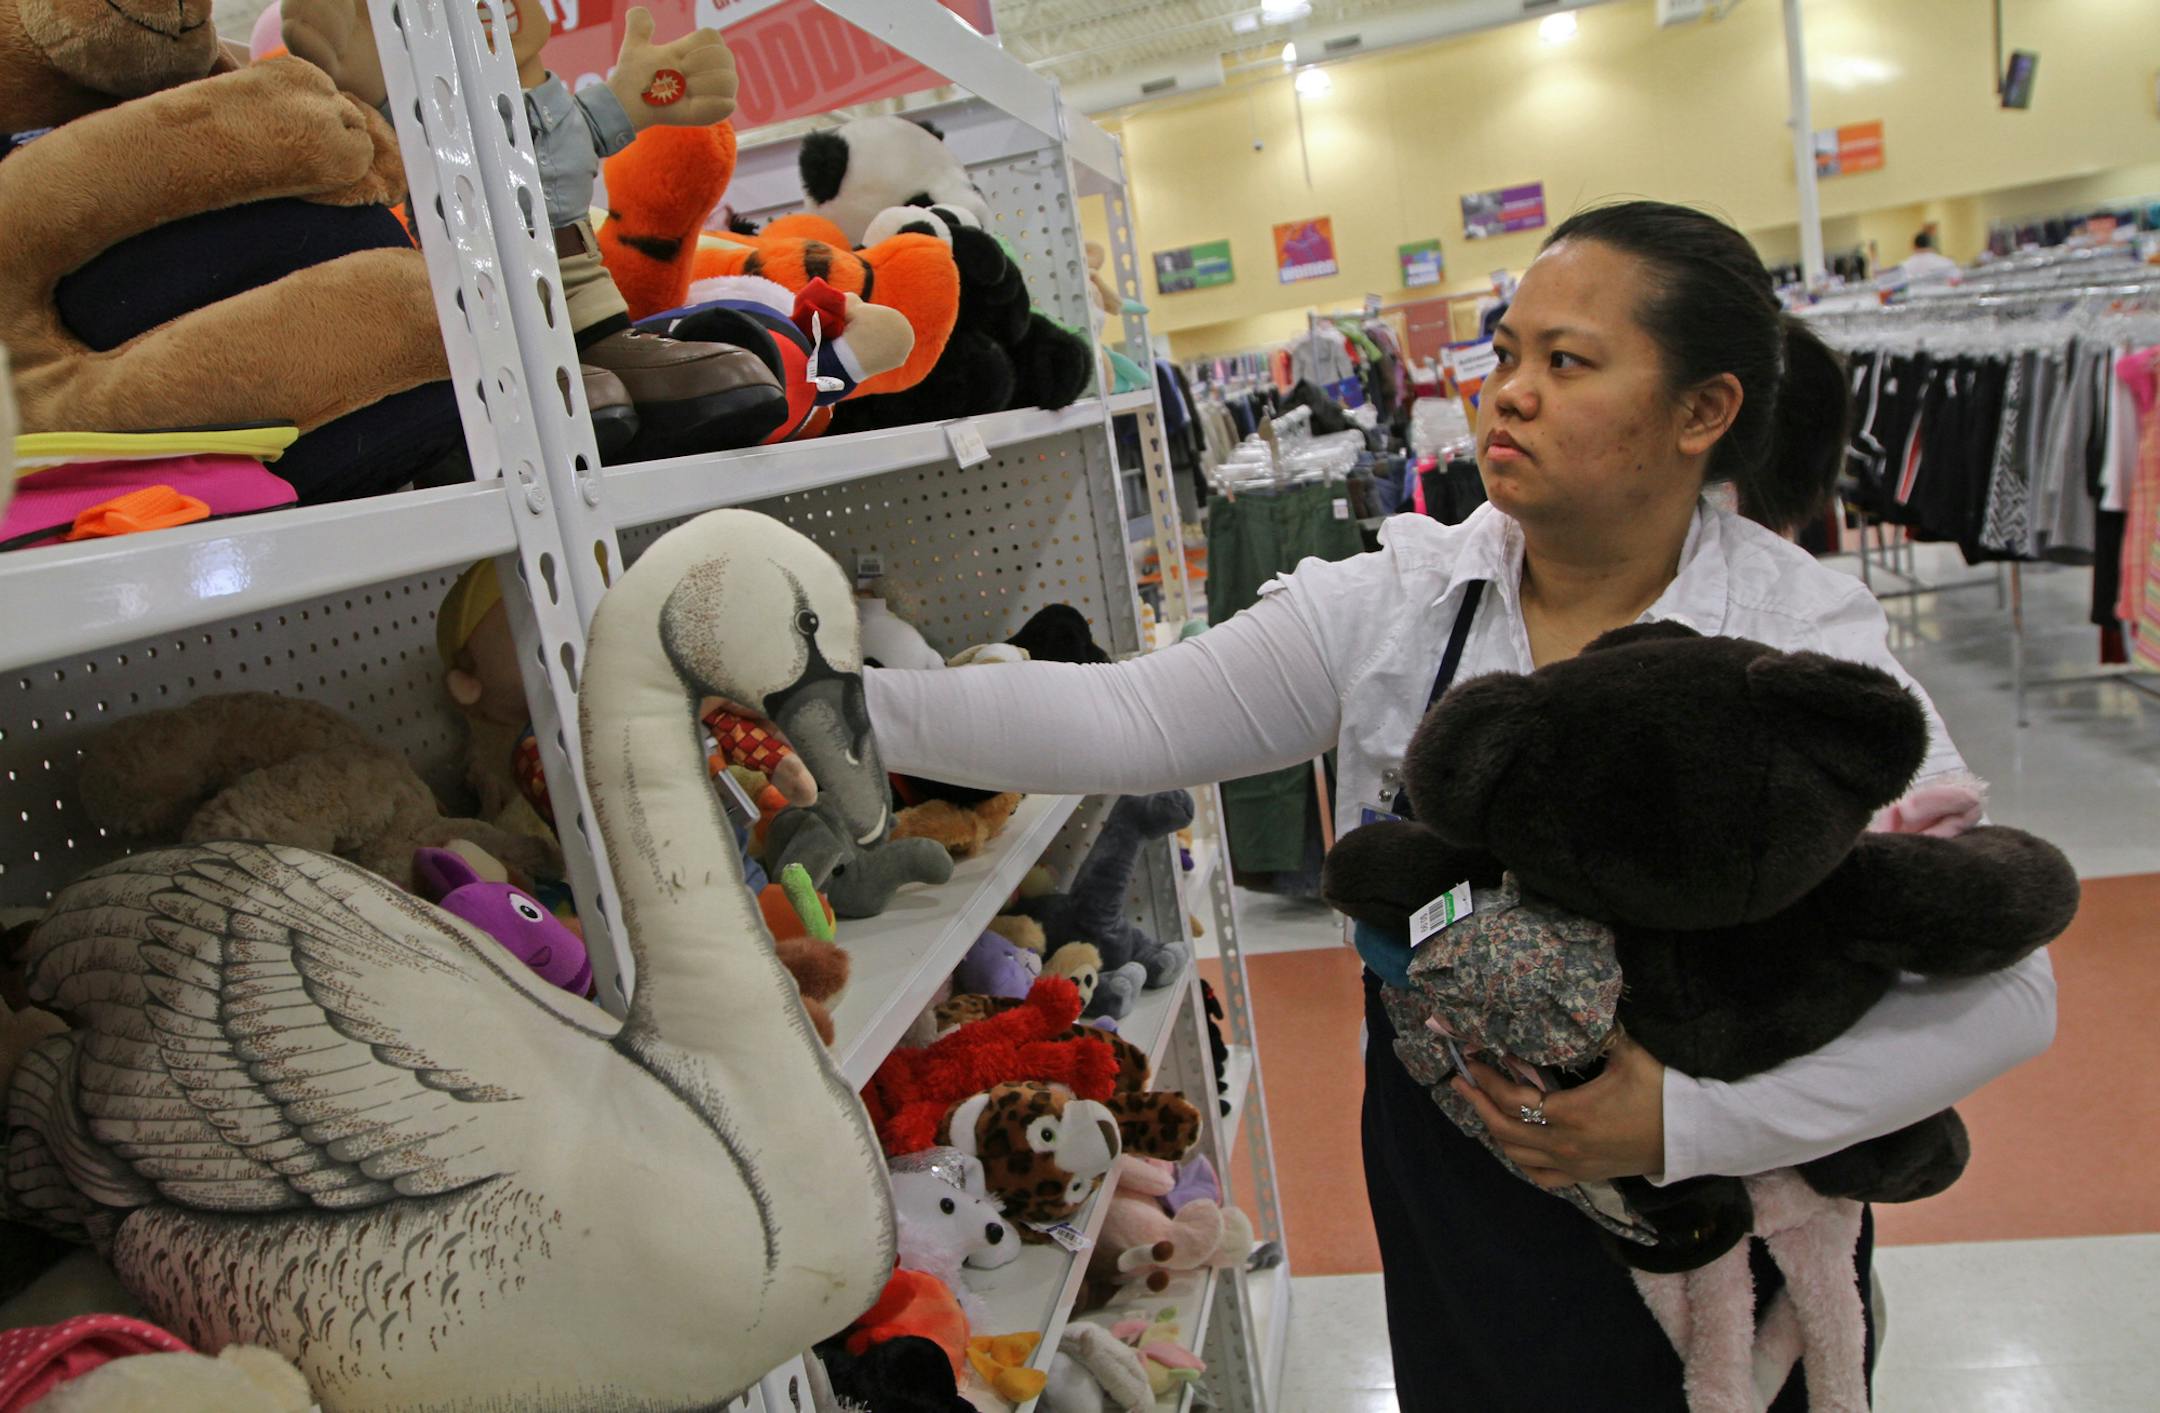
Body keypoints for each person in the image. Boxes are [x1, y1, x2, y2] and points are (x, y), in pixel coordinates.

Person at [863, 201, 2056, 1410]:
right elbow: (1133, 717)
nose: (1507, 394)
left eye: (1567, 362)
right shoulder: (1408, 601)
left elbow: (2010, 992)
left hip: (1729, 1221)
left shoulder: (1797, 643)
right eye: (1505, 355)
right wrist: (852, 705)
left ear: (1704, 413)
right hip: (1460, 1188)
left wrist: (1679, 1125)